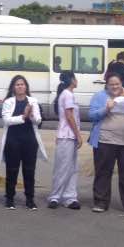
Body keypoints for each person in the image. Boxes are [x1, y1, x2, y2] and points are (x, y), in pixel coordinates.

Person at [88, 72, 124, 215]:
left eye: (117, 84)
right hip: (105, 140)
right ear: (106, 84)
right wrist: (106, 108)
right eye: (111, 84)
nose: (114, 87)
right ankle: (101, 202)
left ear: (122, 84)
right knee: (103, 172)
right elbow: (92, 116)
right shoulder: (99, 96)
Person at [0, 75, 46, 210]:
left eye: (22, 84)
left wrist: (31, 115)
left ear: (26, 87)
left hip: (30, 140)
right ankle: (9, 198)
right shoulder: (8, 102)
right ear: (13, 87)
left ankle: (30, 199)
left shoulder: (32, 101)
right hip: (12, 140)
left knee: (29, 171)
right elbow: (7, 120)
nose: (20, 86)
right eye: (17, 84)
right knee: (12, 170)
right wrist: (23, 116)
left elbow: (38, 120)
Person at [48, 71, 82, 210]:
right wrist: (78, 134)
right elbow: (69, 116)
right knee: (63, 167)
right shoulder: (67, 94)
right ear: (72, 80)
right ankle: (55, 196)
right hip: (67, 136)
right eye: (75, 77)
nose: (77, 80)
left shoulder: (68, 94)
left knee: (71, 168)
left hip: (68, 136)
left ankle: (69, 197)